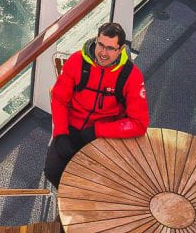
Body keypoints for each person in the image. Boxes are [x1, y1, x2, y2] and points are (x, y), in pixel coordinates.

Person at [44, 21, 149, 189]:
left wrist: (98, 131)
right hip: (70, 128)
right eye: (100, 45)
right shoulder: (77, 61)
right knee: (52, 172)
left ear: (120, 49)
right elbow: (59, 99)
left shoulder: (132, 76)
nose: (103, 53)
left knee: (99, 183)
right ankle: (68, 201)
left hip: (104, 135)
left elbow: (139, 124)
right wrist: (61, 133)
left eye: (110, 48)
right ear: (96, 40)